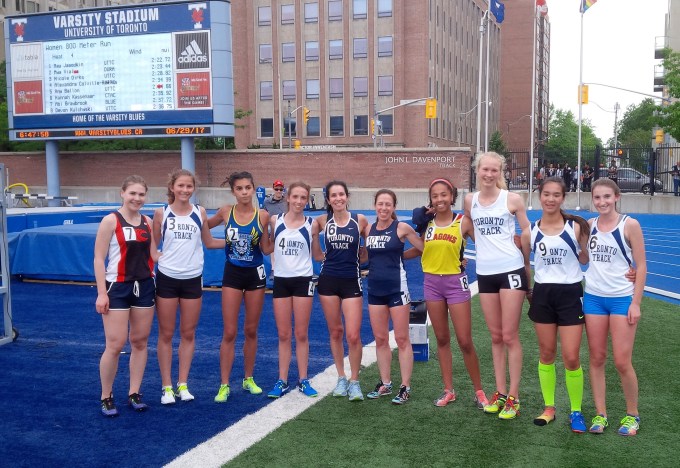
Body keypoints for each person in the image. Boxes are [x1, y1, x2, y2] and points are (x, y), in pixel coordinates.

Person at [408, 178, 489, 409]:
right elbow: (420, 248)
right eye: (435, 196)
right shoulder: (427, 223)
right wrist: (395, 256)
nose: (440, 199)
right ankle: (448, 390)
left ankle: (479, 392)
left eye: (444, 194)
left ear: (452, 196)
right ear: (430, 200)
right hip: (432, 284)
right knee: (442, 339)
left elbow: (485, 246)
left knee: (464, 340)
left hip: (455, 284)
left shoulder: (463, 222)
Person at [464, 151, 530, 420]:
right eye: (485, 169)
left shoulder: (512, 199)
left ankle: (514, 396)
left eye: (494, 170)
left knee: (510, 335)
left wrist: (525, 257)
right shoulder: (469, 200)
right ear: (477, 170)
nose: (489, 174)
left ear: (500, 172)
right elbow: (468, 226)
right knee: (495, 336)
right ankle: (500, 392)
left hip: (510, 270)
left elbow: (527, 231)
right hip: (485, 272)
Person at [521, 177, 590, 432]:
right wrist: (529, 291)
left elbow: (587, 259)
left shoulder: (575, 227)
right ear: (539, 196)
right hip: (543, 294)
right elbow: (525, 264)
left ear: (563, 198)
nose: (550, 199)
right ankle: (549, 407)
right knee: (547, 354)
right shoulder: (530, 231)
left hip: (570, 294)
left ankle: (576, 411)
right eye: (546, 194)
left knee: (571, 357)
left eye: (556, 195)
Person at [152, 169, 225, 405]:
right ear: (172, 187)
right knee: (166, 333)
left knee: (188, 333)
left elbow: (209, 242)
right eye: (181, 186)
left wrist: (235, 240)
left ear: (194, 188)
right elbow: (153, 244)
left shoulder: (199, 212)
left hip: (192, 278)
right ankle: (166, 386)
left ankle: (182, 384)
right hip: (167, 278)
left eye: (189, 186)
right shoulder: (161, 213)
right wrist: (156, 257)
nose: (185, 190)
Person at [584, 178, 646, 436]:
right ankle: (601, 413)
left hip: (621, 299)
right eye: (597, 197)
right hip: (593, 298)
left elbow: (641, 265)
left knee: (622, 361)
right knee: (597, 358)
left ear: (617, 197)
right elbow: (582, 257)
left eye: (607, 197)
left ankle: (632, 414)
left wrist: (636, 303)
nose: (602, 202)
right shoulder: (589, 225)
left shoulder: (629, 224)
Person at [94, 175, 159, 417]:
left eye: (141, 194)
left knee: (140, 342)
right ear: (122, 193)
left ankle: (134, 392)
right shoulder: (110, 220)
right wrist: (102, 293)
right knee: (115, 344)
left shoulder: (148, 222)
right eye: (132, 193)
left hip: (144, 286)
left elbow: (154, 255)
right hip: (117, 287)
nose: (137, 198)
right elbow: (98, 258)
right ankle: (106, 395)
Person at [208, 171, 272, 403]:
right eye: (239, 188)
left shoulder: (262, 215)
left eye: (248, 188)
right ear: (233, 191)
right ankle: (224, 384)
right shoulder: (226, 212)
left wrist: (284, 232)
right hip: (232, 274)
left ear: (253, 189)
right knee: (229, 332)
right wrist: (221, 243)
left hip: (255, 275)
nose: (244, 192)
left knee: (251, 330)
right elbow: (202, 227)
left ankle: (248, 378)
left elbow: (266, 249)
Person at [362, 189, 423, 405]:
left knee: (401, 338)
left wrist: (401, 255)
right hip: (375, 290)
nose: (384, 208)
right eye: (380, 204)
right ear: (375, 206)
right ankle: (385, 383)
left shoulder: (401, 228)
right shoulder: (368, 229)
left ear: (394, 207)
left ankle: (405, 386)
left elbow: (422, 248)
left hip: (397, 289)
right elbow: (366, 255)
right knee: (380, 339)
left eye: (388, 204)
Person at [312, 180, 369, 401]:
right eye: (333, 195)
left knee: (353, 335)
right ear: (328, 199)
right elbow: (317, 255)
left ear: (347, 196)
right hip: (328, 281)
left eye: (341, 194)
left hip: (351, 281)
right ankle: (341, 377)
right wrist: (317, 244)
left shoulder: (359, 220)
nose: (338, 198)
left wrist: (364, 253)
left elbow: (371, 245)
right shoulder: (322, 221)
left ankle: (355, 381)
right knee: (336, 332)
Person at [266, 182, 320, 399]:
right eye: (295, 197)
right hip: (281, 280)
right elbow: (267, 247)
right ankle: (282, 379)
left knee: (301, 333)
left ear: (307, 201)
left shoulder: (312, 224)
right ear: (287, 198)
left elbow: (318, 254)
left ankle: (303, 379)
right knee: (283, 334)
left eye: (303, 198)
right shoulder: (275, 221)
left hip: (303, 280)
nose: (298, 201)